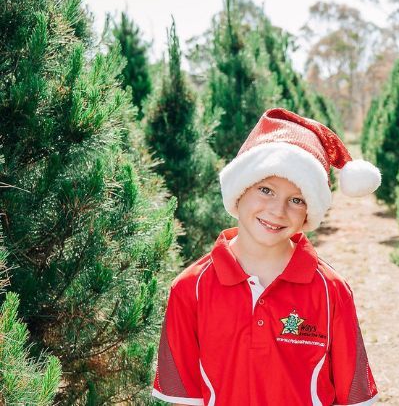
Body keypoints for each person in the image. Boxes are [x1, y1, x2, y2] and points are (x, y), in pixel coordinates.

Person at [151, 108, 381, 405]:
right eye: (266, 190)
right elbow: (183, 397)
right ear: (240, 190)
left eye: (297, 200)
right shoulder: (189, 288)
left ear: (310, 211)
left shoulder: (331, 290)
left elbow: (354, 396)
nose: (278, 210)